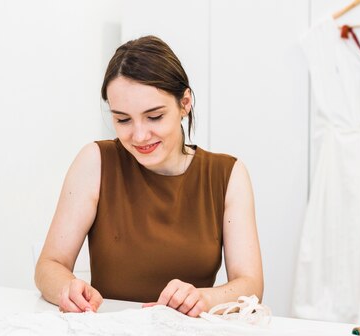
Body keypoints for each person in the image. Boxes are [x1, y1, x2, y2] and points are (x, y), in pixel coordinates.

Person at [35, 35, 263, 317]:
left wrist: (204, 299)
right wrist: (66, 288)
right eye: (123, 119)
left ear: (185, 103)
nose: (140, 136)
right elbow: (49, 265)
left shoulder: (227, 175)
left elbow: (250, 286)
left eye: (154, 116)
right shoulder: (95, 162)